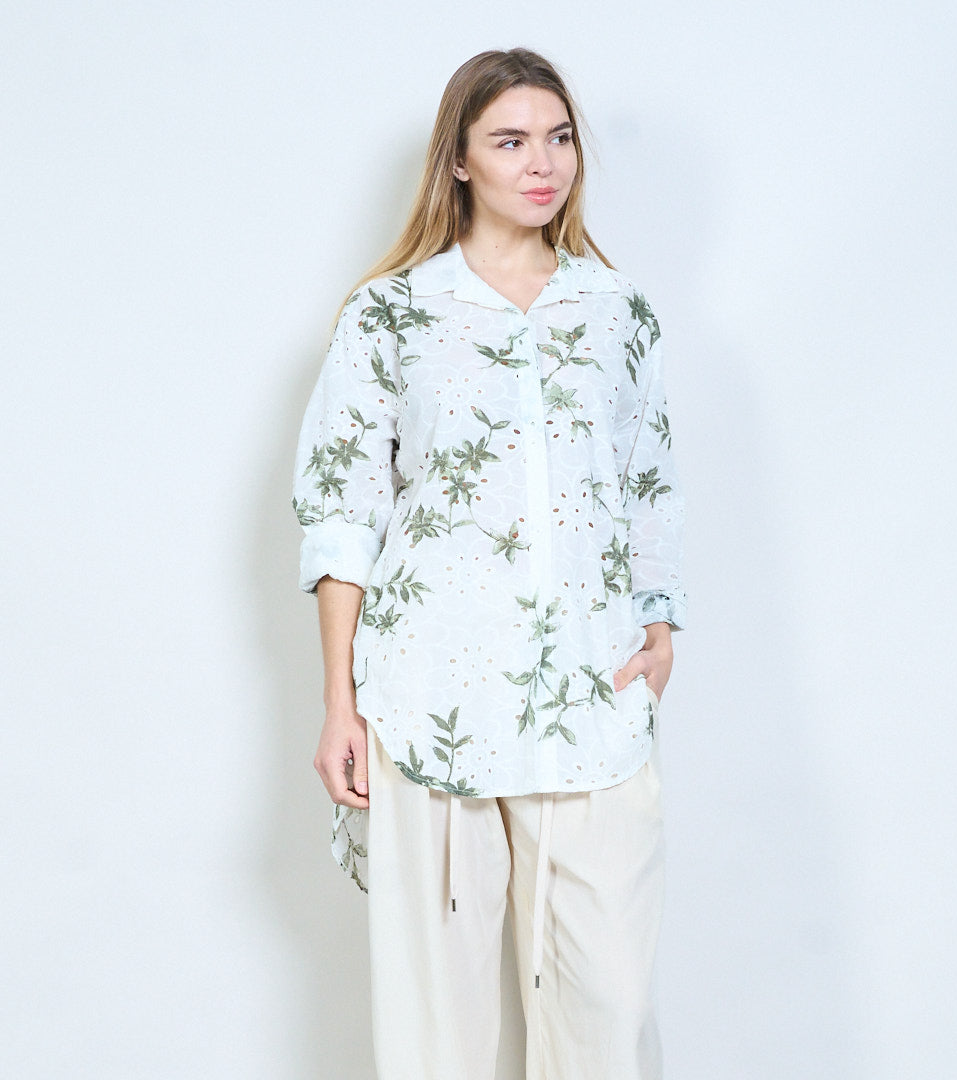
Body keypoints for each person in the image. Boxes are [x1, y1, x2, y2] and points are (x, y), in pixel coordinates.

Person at [293, 47, 685, 1080]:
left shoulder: (617, 312)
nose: (541, 163)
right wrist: (339, 703)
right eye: (510, 141)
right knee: (440, 1036)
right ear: (459, 161)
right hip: (434, 699)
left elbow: (647, 482)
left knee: (610, 1015)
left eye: (558, 138)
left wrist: (659, 628)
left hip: (588, 703)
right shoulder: (391, 316)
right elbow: (342, 513)